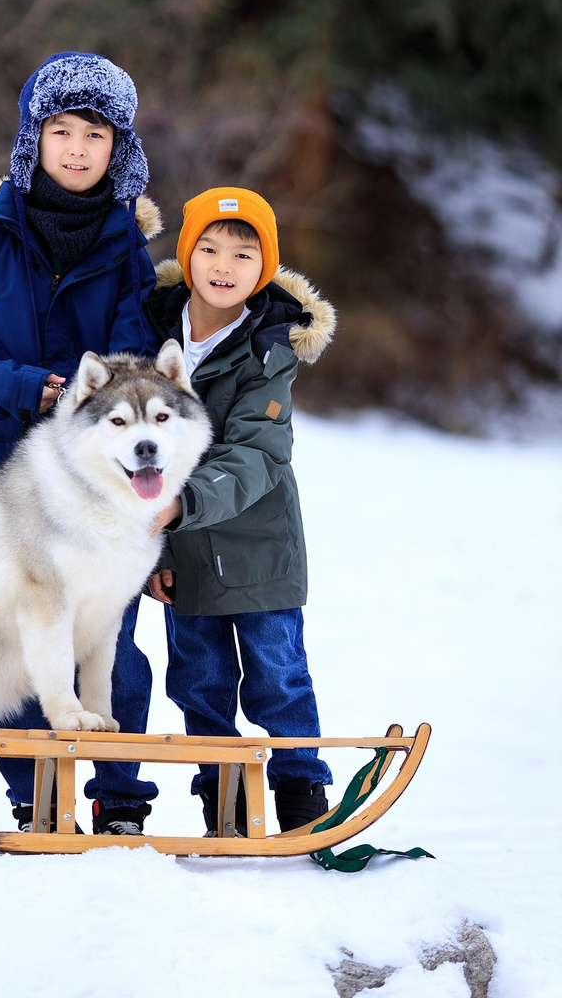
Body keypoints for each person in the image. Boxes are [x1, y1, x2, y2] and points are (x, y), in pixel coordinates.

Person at [0, 52, 168, 835]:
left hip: (103, 481)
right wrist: (30, 388)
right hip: (10, 476)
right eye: (61, 131)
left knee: (110, 638)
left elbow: (138, 355)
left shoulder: (128, 249)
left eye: (95, 135)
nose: (77, 149)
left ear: (117, 148)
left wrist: (102, 405)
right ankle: (37, 800)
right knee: (25, 638)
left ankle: (120, 800)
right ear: (35, 139)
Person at [140, 188, 338, 834]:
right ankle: (221, 802)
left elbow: (258, 455)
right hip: (185, 551)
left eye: (244, 255)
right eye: (210, 248)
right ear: (188, 253)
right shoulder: (151, 336)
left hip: (258, 551)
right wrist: (158, 551)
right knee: (199, 683)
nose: (224, 266)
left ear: (265, 268)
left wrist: (181, 505)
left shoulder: (268, 351)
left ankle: (301, 793)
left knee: (277, 677)